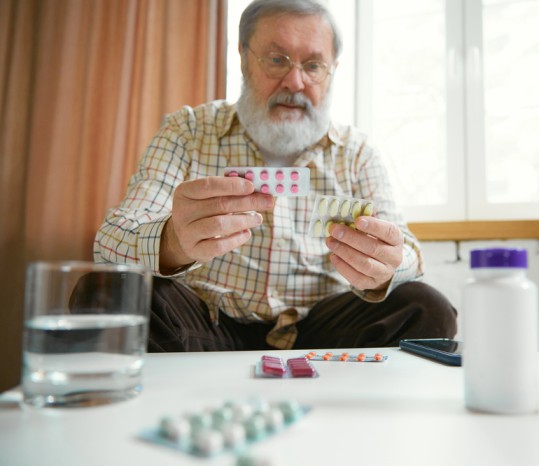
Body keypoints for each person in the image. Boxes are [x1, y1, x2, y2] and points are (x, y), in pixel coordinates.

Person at [94, 0, 457, 352]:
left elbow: (409, 254)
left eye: (313, 65)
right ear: (242, 57)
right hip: (206, 325)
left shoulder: (358, 153)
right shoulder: (187, 131)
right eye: (276, 59)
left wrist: (385, 266)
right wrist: (173, 242)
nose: (295, 82)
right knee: (109, 290)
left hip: (321, 331)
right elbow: (109, 242)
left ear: (332, 71)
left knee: (426, 307)